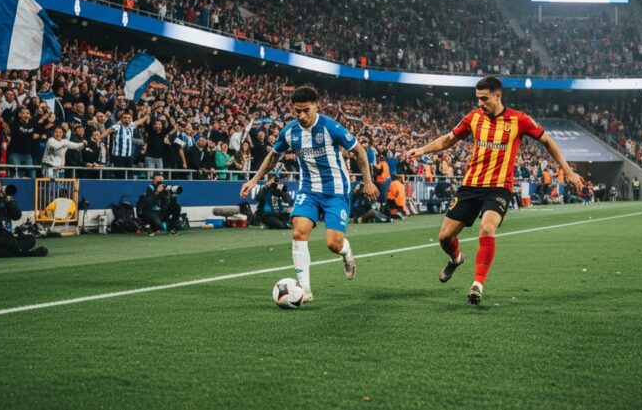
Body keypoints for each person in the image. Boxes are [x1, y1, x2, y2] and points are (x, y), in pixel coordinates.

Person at [404, 77, 582, 306]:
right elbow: (449, 139)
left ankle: (477, 284)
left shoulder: (519, 120)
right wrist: (421, 149)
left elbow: (547, 141)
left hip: (499, 187)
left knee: (487, 229)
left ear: (498, 96)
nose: (480, 103)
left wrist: (567, 170)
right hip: (470, 185)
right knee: (444, 237)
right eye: (478, 99)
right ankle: (456, 258)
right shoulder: (473, 118)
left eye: (484, 99)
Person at [240, 85, 379, 303]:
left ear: (316, 106)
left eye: (306, 110)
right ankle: (305, 289)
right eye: (297, 111)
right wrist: (254, 180)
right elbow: (273, 156)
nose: (302, 115)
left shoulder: (331, 128)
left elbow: (359, 151)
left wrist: (368, 182)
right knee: (298, 231)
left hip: (336, 191)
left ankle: (346, 252)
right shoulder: (290, 132)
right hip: (309, 190)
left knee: (333, 244)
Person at [0, 178, 47, 258]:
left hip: (6, 236)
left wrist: (8, 202)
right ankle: (26, 253)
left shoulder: (6, 200)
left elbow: (17, 216)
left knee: (30, 238)